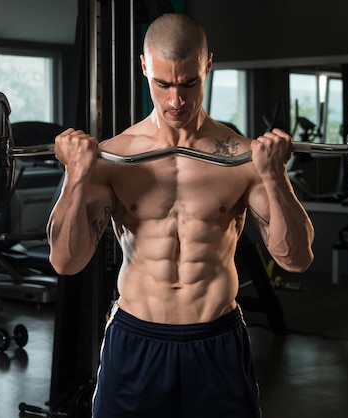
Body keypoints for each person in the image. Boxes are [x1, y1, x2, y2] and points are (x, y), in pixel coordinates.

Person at [47, 12, 314, 418]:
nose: (176, 100)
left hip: (217, 341)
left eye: (190, 83)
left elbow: (296, 259)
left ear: (208, 65)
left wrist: (275, 177)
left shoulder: (242, 158)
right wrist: (76, 176)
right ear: (144, 67)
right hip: (136, 339)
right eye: (163, 84)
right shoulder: (115, 157)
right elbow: (66, 262)